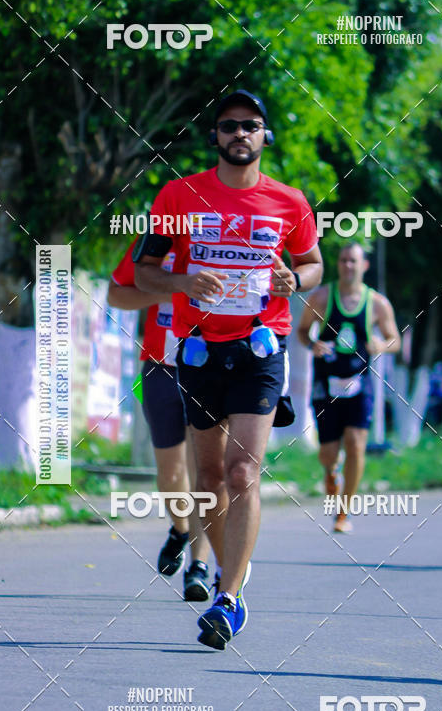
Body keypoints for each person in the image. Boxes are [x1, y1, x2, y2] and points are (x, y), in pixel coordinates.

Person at [134, 90, 323, 648]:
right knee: (210, 479)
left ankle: (230, 599)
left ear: (266, 136)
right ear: (215, 136)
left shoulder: (289, 202)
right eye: (229, 125)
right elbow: (145, 272)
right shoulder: (179, 194)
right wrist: (180, 282)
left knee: (243, 474)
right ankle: (227, 570)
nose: (240, 133)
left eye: (252, 125)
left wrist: (298, 280)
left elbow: (311, 265)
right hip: (198, 350)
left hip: (261, 351)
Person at [108, 242, 212, 601]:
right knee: (170, 475)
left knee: (204, 472)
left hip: (208, 366)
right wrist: (162, 289)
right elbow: (116, 294)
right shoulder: (154, 244)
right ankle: (180, 530)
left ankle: (198, 565)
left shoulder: (222, 240)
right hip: (160, 368)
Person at [297, 242, 400, 533]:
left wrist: (381, 344)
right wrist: (312, 343)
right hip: (326, 383)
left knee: (356, 445)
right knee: (328, 454)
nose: (347, 266)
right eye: (343, 260)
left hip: (360, 383)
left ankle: (344, 512)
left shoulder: (377, 303)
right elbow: (303, 331)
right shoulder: (321, 297)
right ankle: (331, 472)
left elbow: (396, 340)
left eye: (353, 261)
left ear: (364, 266)